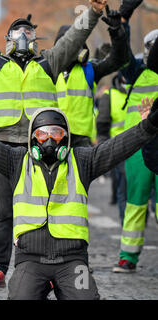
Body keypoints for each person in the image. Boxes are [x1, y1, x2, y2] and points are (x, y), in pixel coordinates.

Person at [0, 85, 158, 300]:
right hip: (30, 261)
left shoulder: (82, 161)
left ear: (66, 136)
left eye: (56, 132)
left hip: (72, 261)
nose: (49, 140)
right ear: (33, 138)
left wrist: (149, 125)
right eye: (42, 134)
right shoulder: (16, 161)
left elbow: (118, 146)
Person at [0, 0, 108, 288]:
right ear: (7, 40)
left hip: (43, 148)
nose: (24, 35)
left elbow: (74, 37)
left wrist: (94, 13)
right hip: (3, 147)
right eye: (18, 31)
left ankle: (50, 268)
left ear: (36, 39)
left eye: (29, 32)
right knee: (3, 210)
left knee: (49, 208)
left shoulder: (49, 62)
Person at [113, 31, 158, 273]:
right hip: (138, 147)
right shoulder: (136, 71)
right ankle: (128, 256)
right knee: (136, 202)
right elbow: (122, 55)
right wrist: (120, 27)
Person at [55, 5, 129, 147]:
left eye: (74, 45)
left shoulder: (89, 69)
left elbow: (120, 60)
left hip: (82, 143)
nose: (70, 49)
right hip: (52, 139)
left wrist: (117, 32)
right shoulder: (47, 68)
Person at [96, 72, 128, 224]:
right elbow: (102, 124)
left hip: (141, 145)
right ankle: (125, 221)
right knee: (122, 184)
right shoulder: (109, 95)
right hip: (119, 147)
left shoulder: (138, 89)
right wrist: (104, 146)